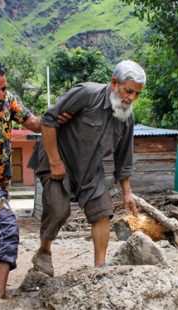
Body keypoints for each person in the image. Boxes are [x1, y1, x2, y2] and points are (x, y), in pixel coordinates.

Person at [0, 59, 70, 297]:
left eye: (4, 88)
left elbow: (35, 124)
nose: (0, 95)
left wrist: (59, 118)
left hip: (1, 184)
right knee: (7, 230)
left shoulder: (9, 103)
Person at [30, 60, 146, 276]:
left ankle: (99, 269)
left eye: (137, 94)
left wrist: (127, 193)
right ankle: (44, 252)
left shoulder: (126, 119)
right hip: (60, 157)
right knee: (59, 209)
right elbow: (47, 120)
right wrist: (55, 161)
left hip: (91, 168)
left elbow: (124, 158)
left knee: (103, 212)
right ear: (114, 83)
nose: (131, 98)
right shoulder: (87, 94)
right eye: (128, 90)